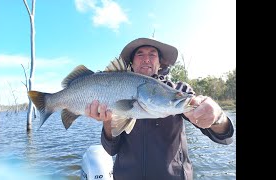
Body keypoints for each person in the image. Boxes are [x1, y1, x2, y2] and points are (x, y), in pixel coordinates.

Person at [84, 37, 234, 180]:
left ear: (160, 63)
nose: (146, 59)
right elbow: (111, 150)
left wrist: (217, 117)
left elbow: (224, 137)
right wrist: (108, 122)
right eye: (140, 54)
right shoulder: (117, 89)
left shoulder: (178, 92)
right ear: (132, 62)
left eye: (152, 54)